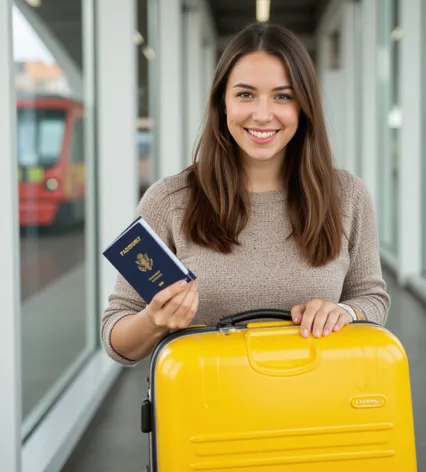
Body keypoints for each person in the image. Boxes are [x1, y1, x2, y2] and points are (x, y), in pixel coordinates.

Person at [101, 22, 390, 366]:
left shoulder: (348, 196)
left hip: (318, 411)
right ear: (223, 103)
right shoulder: (169, 201)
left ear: (304, 107)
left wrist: (344, 311)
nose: (263, 114)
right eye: (245, 94)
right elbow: (117, 336)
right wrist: (152, 322)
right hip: (205, 410)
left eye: (283, 96)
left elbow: (371, 298)